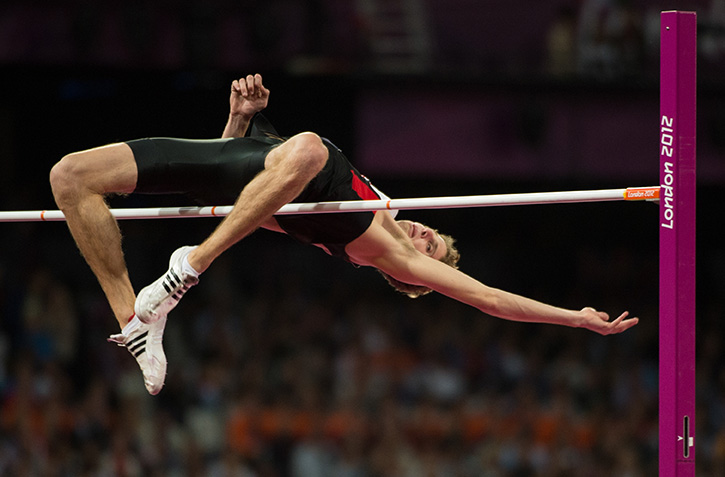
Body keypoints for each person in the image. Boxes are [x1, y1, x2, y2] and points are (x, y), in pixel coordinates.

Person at [49, 74, 639, 395]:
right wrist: (237, 120)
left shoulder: (390, 254)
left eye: (431, 246)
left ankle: (185, 272)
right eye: (432, 232)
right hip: (251, 159)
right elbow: (232, 193)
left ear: (403, 273)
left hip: (300, 162)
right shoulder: (365, 207)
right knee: (69, 177)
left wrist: (573, 319)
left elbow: (488, 299)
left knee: (307, 146)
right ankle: (136, 322)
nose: (422, 232)